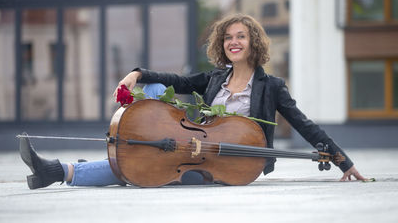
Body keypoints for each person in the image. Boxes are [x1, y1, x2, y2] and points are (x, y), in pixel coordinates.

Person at [20, 14, 366, 190]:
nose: (234, 42)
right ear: (222, 43)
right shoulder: (215, 77)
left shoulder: (270, 86)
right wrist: (137, 74)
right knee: (154, 95)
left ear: (252, 42)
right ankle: (62, 171)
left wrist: (343, 162)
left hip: (230, 167)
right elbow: (177, 81)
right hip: (192, 149)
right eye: (228, 37)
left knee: (145, 167)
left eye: (240, 36)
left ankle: (60, 171)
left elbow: (305, 124)